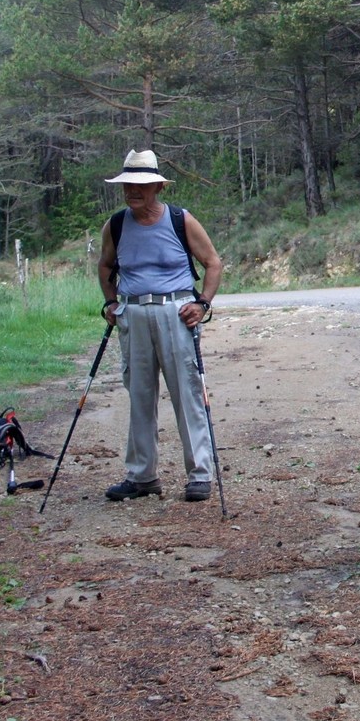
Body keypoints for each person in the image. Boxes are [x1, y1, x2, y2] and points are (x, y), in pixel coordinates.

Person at [97, 149, 224, 503]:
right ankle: (142, 477)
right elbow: (105, 266)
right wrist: (110, 302)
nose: (132, 191)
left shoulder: (181, 220)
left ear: (158, 187)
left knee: (187, 393)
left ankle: (200, 474)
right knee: (139, 396)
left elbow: (213, 263)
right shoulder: (116, 225)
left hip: (176, 313)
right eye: (128, 185)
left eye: (141, 185)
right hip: (133, 314)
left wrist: (202, 303)